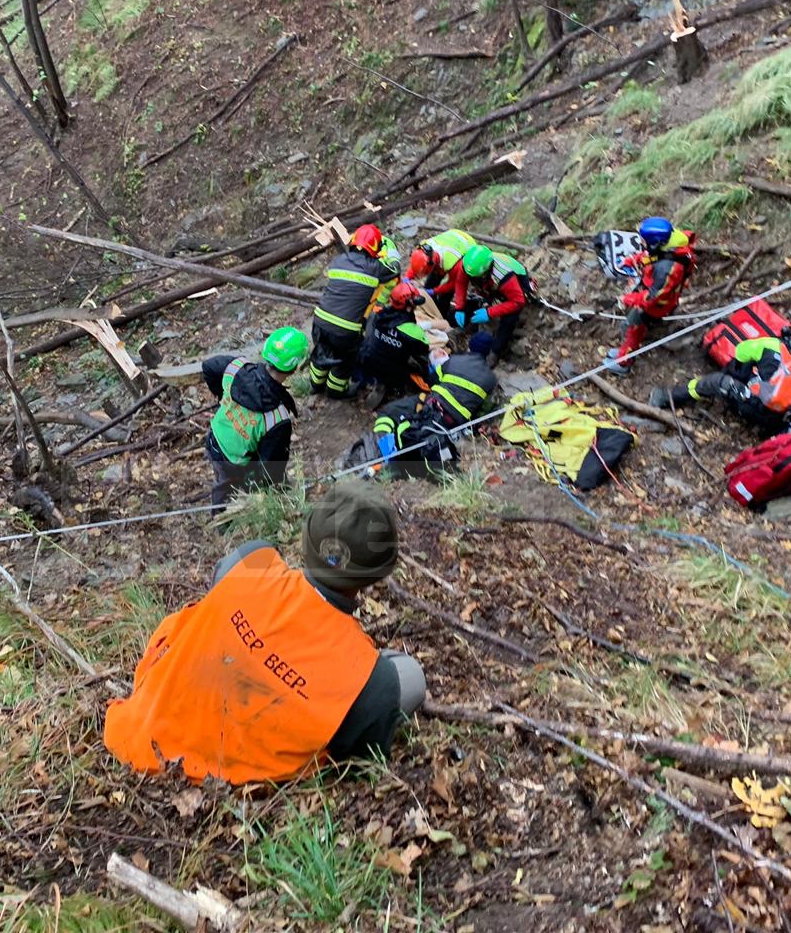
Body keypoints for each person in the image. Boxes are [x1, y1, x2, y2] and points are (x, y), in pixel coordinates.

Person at [103, 480, 426, 784]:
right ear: (376, 575)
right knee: (408, 677)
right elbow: (360, 759)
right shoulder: (370, 677)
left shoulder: (252, 561)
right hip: (229, 780)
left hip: (139, 738)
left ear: (307, 540)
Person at [648, 310, 791, 433]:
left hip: (749, 403)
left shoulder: (770, 344)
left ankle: (668, 397)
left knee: (716, 381)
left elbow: (741, 351)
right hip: (778, 420)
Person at [203, 327, 307, 510]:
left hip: (215, 437)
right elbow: (270, 466)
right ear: (293, 369)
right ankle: (220, 520)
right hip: (235, 461)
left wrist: (222, 397)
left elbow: (209, 367)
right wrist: (256, 485)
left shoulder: (236, 368)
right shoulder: (277, 418)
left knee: (221, 477)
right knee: (225, 489)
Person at [310, 224, 398, 398]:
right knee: (344, 361)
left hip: (319, 321)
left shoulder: (338, 261)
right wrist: (390, 251)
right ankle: (335, 391)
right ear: (375, 248)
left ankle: (315, 385)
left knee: (321, 351)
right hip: (345, 330)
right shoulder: (375, 268)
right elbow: (395, 270)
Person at [604, 217, 697, 376]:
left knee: (630, 327)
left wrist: (628, 299)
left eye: (644, 241)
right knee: (633, 326)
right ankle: (624, 351)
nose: (642, 243)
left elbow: (653, 296)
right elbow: (652, 256)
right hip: (659, 294)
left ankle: (624, 363)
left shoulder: (668, 268)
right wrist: (631, 260)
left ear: (656, 243)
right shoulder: (669, 245)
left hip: (659, 305)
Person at [433, 244, 533, 362]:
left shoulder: (503, 275)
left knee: (509, 319)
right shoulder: (469, 265)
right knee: (468, 306)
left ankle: (495, 352)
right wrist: (460, 307)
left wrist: (489, 312)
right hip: (489, 286)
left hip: (516, 288)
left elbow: (517, 301)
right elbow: (461, 282)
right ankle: (462, 329)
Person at [356, 282, 433, 407]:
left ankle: (377, 384)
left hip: (367, 359)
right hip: (389, 369)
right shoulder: (414, 332)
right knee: (416, 366)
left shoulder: (378, 314)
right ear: (409, 305)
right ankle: (397, 389)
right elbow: (423, 354)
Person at [424, 351, 498, 427]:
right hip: (457, 418)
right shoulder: (492, 380)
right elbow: (484, 408)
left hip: (436, 401)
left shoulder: (454, 360)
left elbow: (432, 380)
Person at [404, 228, 477, 304]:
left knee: (446, 296)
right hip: (452, 237)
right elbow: (417, 263)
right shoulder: (424, 249)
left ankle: (442, 310)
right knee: (430, 284)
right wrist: (407, 277)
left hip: (467, 246)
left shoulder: (452, 262)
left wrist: (434, 291)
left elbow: (453, 284)